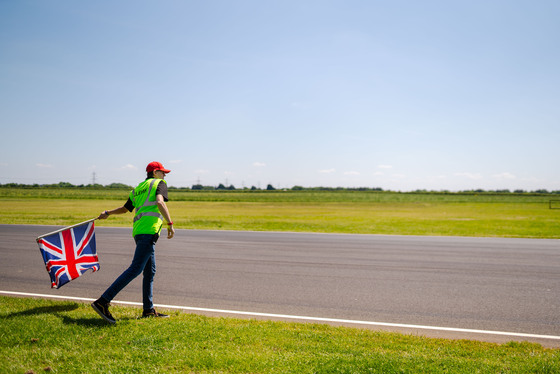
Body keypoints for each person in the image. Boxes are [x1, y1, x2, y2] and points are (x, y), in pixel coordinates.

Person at [91, 161, 175, 323]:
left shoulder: (137, 189)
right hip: (148, 231)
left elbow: (125, 209)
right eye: (163, 172)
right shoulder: (159, 183)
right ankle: (102, 302)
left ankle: (148, 310)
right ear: (155, 172)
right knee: (136, 268)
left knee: (150, 271)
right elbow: (159, 202)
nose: (165, 175)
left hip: (138, 231)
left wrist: (108, 212)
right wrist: (170, 224)